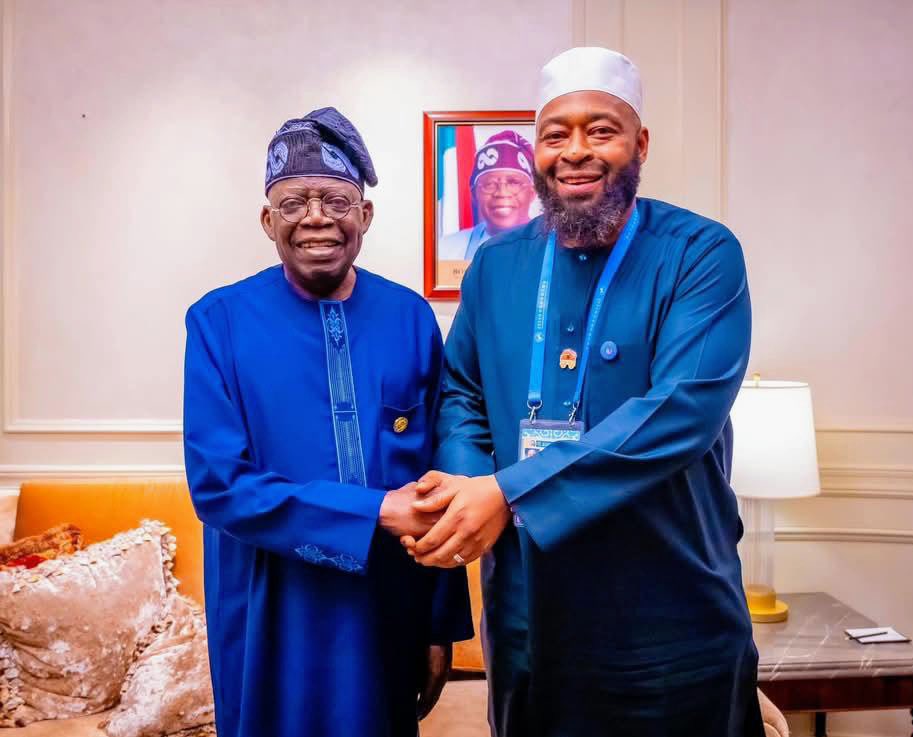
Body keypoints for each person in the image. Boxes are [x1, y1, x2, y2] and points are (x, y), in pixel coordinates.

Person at [404, 48, 765, 736]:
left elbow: (682, 410)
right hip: (527, 620)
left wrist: (505, 492)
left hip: (670, 620)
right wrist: (471, 486)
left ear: (640, 144)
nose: (575, 151)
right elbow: (462, 394)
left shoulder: (700, 253)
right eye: (555, 134)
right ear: (537, 150)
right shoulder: (495, 265)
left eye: (601, 130)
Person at [183, 107, 473, 737]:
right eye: (293, 202)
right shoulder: (218, 322)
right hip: (270, 607)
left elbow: (439, 473)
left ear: (364, 215)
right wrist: (376, 511)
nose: (316, 217)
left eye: (337, 200)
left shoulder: (410, 318)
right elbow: (218, 487)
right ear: (268, 221)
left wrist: (440, 625)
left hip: (387, 605)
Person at [438, 130, 537, 261]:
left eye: (513, 182)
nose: (502, 193)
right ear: (474, 194)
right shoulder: (444, 250)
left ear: (532, 192)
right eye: (489, 184)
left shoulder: (556, 247)